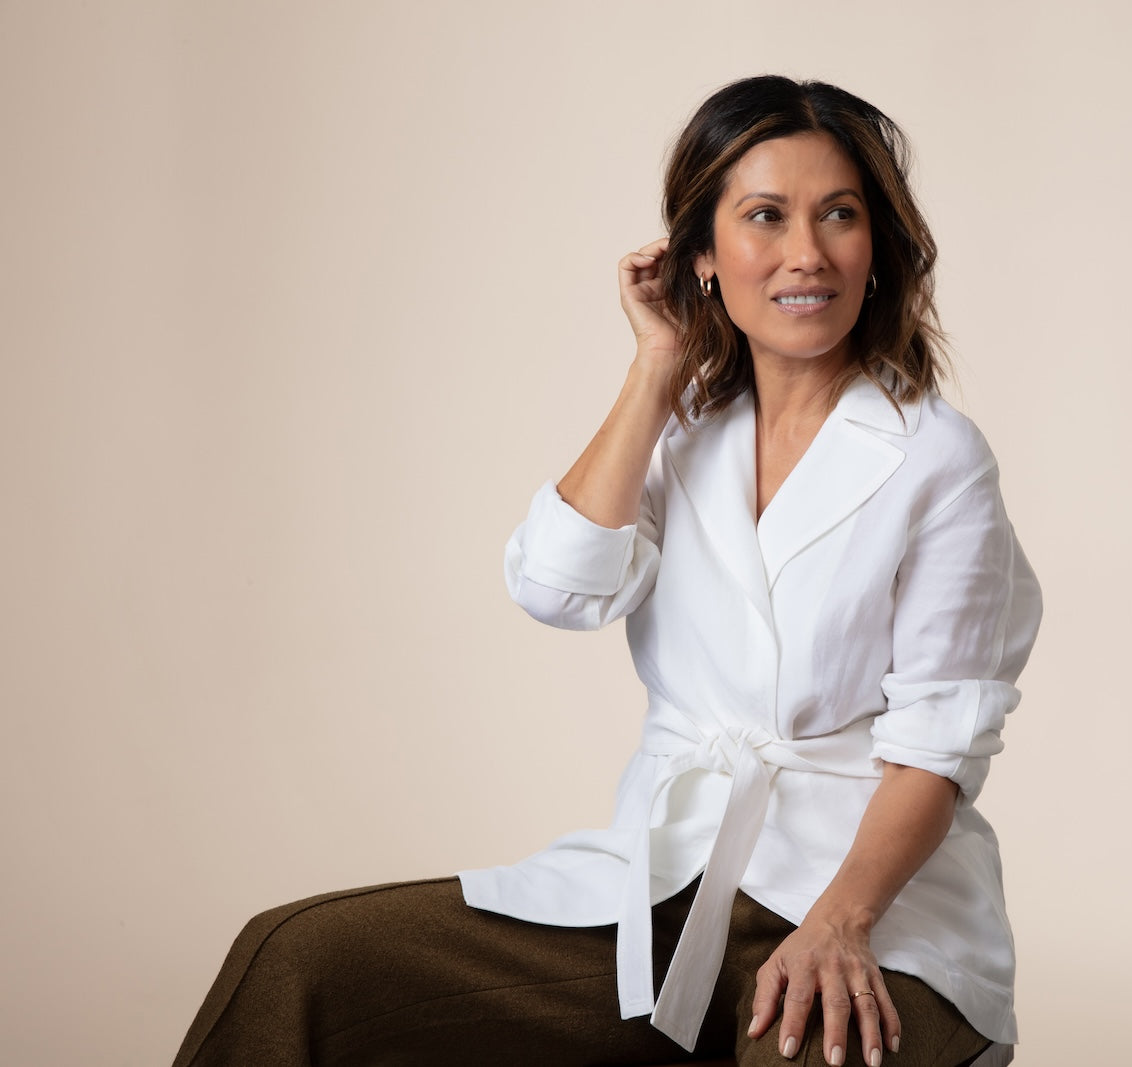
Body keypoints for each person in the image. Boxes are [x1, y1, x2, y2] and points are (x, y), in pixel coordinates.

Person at [173, 75, 1041, 1067]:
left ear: (875, 249)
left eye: (838, 215)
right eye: (765, 216)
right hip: (666, 884)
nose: (806, 252)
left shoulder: (935, 455)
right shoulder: (680, 436)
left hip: (872, 910)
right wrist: (655, 365)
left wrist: (839, 920)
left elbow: (933, 747)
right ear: (702, 256)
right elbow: (556, 586)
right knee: (297, 957)